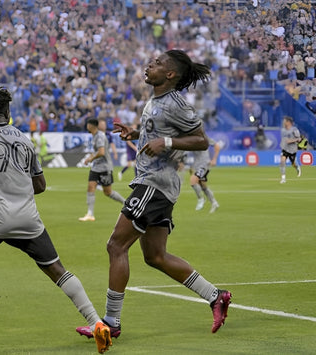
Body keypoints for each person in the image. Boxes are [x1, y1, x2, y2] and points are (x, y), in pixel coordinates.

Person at [0, 86, 112, 355]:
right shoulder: (25, 140)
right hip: (29, 219)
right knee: (58, 271)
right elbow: (40, 184)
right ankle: (97, 322)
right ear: (7, 112)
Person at [76, 50, 232, 341]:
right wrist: (138, 134)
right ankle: (216, 296)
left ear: (170, 74)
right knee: (156, 256)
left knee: (116, 246)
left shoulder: (175, 103)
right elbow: (159, 136)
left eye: (158, 63)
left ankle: (111, 323)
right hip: (158, 185)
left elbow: (201, 140)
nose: (150, 65)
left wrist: (167, 141)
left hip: (154, 185)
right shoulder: (156, 101)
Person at [79, 118, 126, 222]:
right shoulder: (95, 136)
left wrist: (91, 158)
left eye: (87, 124)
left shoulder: (100, 136)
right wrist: (89, 158)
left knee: (108, 192)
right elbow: (97, 151)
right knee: (91, 187)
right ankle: (90, 214)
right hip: (96, 167)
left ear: (91, 126)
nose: (86, 126)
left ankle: (126, 203)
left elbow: (101, 152)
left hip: (104, 167)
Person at [190, 137, 221, 213]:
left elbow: (217, 145)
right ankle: (214, 203)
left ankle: (201, 199)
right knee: (203, 186)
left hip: (204, 164)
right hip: (197, 165)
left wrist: (214, 159)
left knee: (193, 181)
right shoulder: (189, 138)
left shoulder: (203, 137)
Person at [279, 116, 301, 184]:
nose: (283, 122)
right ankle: (283, 178)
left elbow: (299, 139)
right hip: (285, 148)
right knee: (282, 161)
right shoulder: (283, 130)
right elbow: (285, 140)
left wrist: (294, 140)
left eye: (284, 121)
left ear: (288, 122)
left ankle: (297, 168)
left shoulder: (294, 130)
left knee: (293, 164)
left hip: (292, 149)